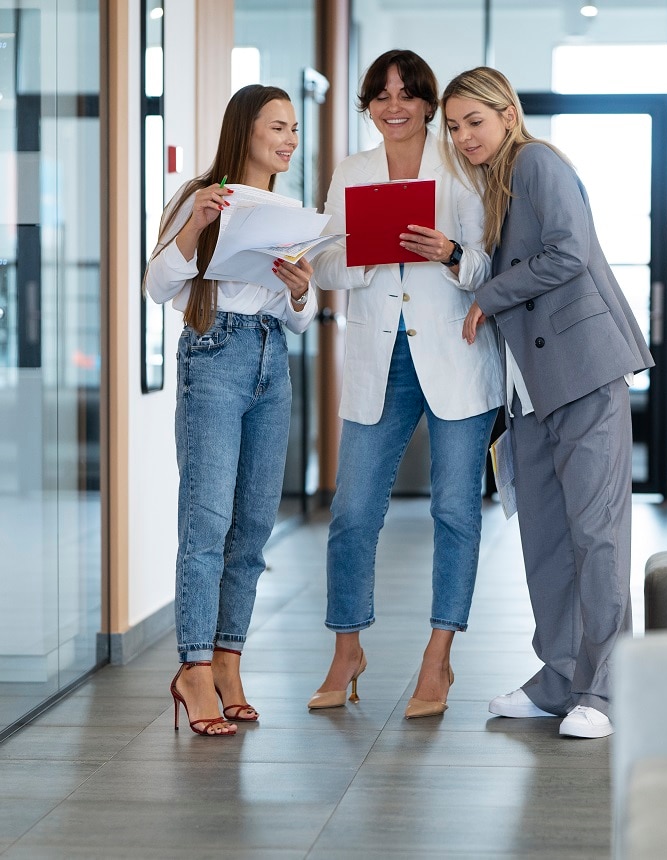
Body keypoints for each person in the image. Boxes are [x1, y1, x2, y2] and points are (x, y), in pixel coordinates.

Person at [442, 67, 655, 739]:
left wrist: (488, 295)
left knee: (597, 535)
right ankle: (561, 677)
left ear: (508, 114)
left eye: (474, 120)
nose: (464, 135)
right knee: (546, 539)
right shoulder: (493, 183)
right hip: (531, 389)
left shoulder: (536, 164)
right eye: (452, 126)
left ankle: (609, 690)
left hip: (584, 372)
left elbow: (570, 252)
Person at [308, 50, 502, 719]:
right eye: (380, 95)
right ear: (369, 105)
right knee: (354, 511)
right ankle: (346, 648)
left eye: (407, 94)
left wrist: (448, 253)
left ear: (426, 102)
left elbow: (486, 267)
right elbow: (324, 263)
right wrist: (369, 250)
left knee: (454, 512)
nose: (393, 106)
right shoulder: (352, 171)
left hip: (455, 354)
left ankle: (438, 656)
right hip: (376, 356)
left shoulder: (461, 167)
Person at [145, 84, 318, 736]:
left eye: (294, 129)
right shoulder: (201, 198)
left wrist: (301, 294)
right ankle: (192, 668)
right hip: (216, 355)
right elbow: (157, 285)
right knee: (208, 521)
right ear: (245, 130)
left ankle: (226, 659)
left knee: (252, 526)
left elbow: (300, 320)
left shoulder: (294, 211)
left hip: (275, 363)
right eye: (279, 126)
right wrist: (194, 224)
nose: (290, 139)